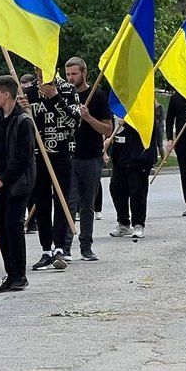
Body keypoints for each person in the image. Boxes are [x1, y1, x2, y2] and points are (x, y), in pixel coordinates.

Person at [0, 75, 36, 293]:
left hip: (17, 183)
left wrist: (3, 179)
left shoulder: (23, 121)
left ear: (7, 94)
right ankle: (10, 273)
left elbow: (23, 158)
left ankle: (20, 274)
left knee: (13, 225)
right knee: (2, 228)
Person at [20, 69, 79, 271]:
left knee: (62, 200)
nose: (40, 73)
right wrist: (23, 111)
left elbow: (74, 122)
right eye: (37, 70)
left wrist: (55, 98)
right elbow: (24, 125)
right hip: (38, 154)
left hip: (62, 152)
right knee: (41, 202)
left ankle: (60, 247)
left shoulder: (68, 89)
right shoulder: (28, 93)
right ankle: (46, 249)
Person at [63, 57, 112, 261]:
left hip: (91, 156)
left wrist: (88, 118)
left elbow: (107, 129)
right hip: (68, 156)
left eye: (74, 74)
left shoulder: (97, 96)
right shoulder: (63, 97)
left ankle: (86, 246)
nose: (71, 78)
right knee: (69, 202)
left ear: (84, 72)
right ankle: (64, 247)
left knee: (87, 205)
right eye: (67, 74)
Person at [107, 118, 159, 239]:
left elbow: (146, 127)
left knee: (137, 191)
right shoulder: (117, 110)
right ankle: (123, 223)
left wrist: (128, 123)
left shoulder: (142, 110)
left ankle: (138, 224)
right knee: (116, 189)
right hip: (119, 154)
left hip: (139, 154)